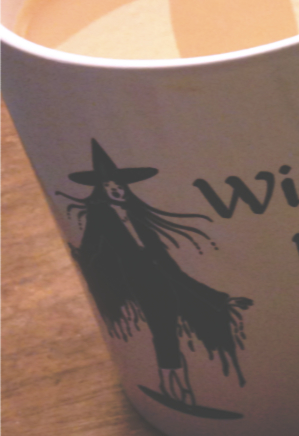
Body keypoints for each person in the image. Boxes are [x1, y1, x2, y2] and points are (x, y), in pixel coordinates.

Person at [59, 139, 252, 413]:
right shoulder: (100, 214)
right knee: (164, 332)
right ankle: (174, 389)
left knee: (186, 315)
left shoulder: (135, 212)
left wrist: (221, 298)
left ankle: (181, 388)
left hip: (164, 275)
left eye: (119, 185)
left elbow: (168, 263)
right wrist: (87, 265)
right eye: (109, 186)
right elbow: (91, 246)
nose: (116, 190)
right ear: (101, 190)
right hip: (142, 282)